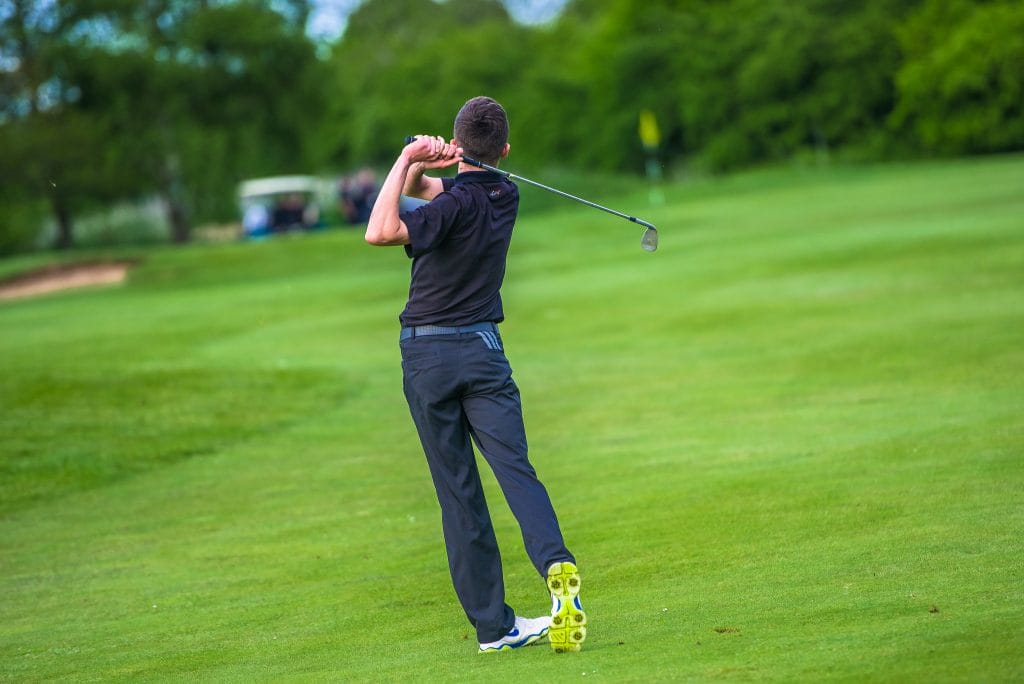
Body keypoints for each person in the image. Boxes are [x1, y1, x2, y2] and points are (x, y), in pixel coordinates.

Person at [365, 96, 587, 654]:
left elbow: (380, 229)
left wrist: (406, 158)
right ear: (505, 152)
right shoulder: (503, 194)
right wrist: (422, 166)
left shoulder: (451, 208)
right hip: (484, 355)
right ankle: (557, 565)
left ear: (459, 144)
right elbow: (432, 194)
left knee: (459, 494)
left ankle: (495, 627)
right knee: (516, 470)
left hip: (427, 357)